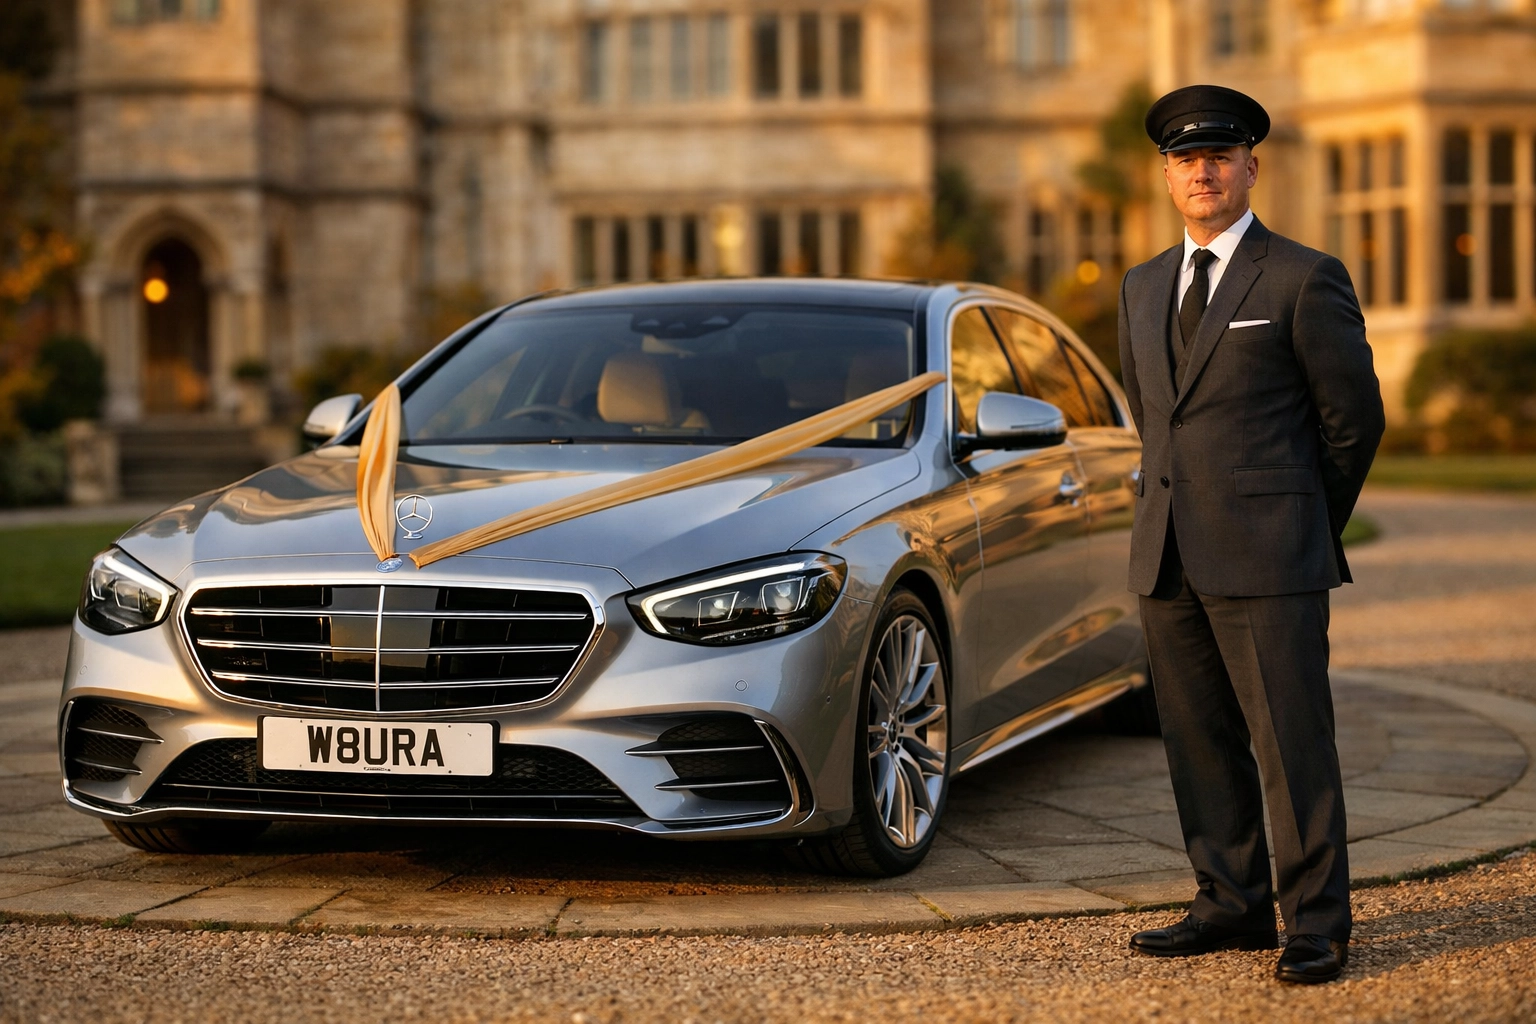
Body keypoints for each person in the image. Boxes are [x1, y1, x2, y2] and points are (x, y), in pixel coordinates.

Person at [1116, 84, 1385, 984]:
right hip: (1167, 557)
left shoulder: (1305, 277)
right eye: (1186, 159)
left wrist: (1300, 520)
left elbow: (1353, 422)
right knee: (1198, 741)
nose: (1204, 171)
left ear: (1250, 168)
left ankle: (1316, 923)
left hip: (1272, 556)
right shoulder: (1142, 284)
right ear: (1166, 175)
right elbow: (1159, 424)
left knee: (1291, 746)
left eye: (1220, 156)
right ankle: (1228, 903)